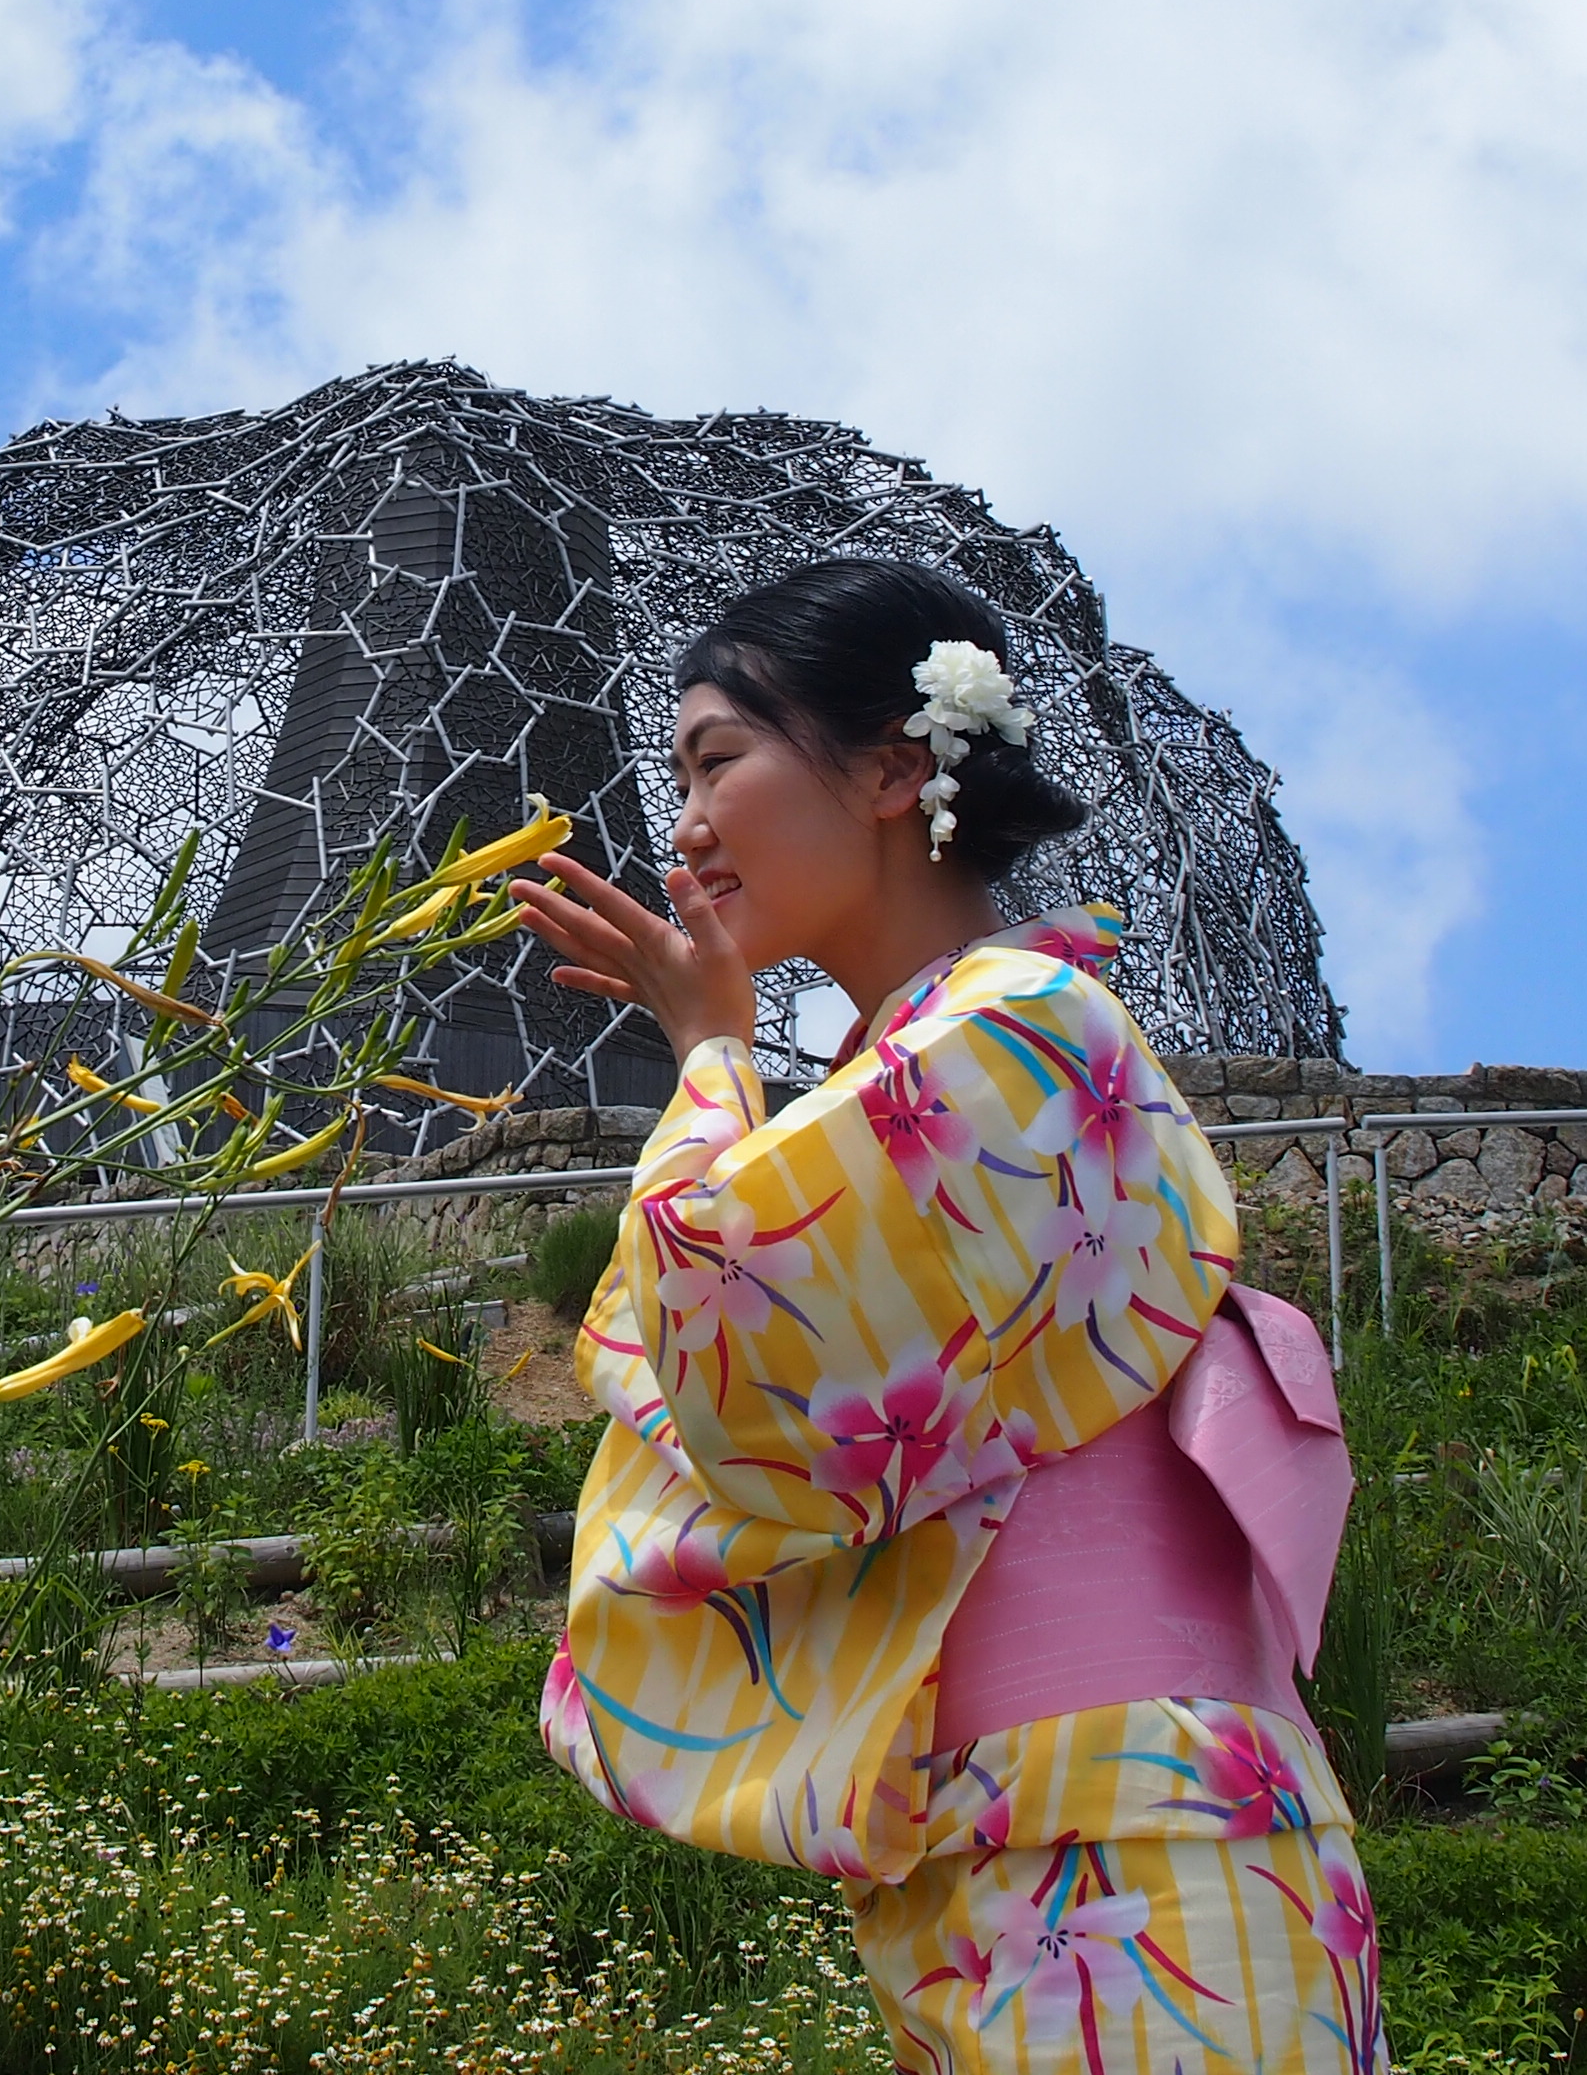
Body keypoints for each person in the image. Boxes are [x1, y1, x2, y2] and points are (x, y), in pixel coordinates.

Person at [507, 556, 1377, 2075]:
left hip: (1133, 1828)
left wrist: (712, 1051)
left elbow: (723, 1323)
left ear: (898, 767)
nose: (687, 824)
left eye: (720, 758)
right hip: (1000, 1832)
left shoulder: (1023, 1027)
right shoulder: (935, 1059)